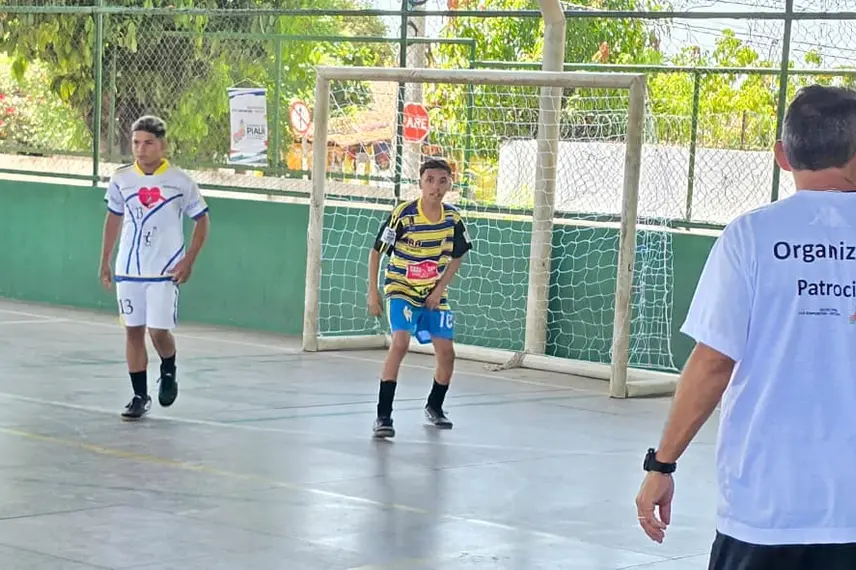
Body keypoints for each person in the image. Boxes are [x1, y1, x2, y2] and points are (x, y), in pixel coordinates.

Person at [635, 84, 856, 569]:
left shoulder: (751, 237)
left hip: (766, 508)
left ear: (782, 155)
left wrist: (662, 464)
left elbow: (713, 362)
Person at [99, 115, 210, 421]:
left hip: (165, 271)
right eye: (136, 143)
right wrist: (105, 260)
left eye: (148, 143)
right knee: (133, 331)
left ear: (162, 145)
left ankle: (169, 367)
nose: (141, 149)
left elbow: (202, 221)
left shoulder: (180, 181)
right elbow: (113, 219)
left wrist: (189, 260)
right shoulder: (121, 179)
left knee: (158, 331)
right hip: (129, 269)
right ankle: (138, 395)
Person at [367, 158, 473, 438]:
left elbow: (457, 256)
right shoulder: (404, 215)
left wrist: (438, 291)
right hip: (400, 288)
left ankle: (434, 406)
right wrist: (373, 292)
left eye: (442, 181)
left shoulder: (453, 218)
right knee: (400, 343)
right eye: (430, 180)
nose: (436, 187)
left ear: (450, 183)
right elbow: (376, 251)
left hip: (433, 293)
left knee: (447, 354)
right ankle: (383, 415)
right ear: (420, 183)